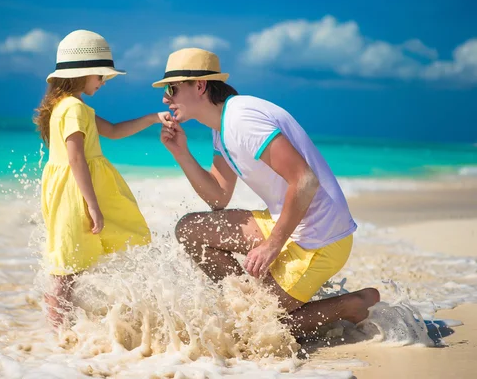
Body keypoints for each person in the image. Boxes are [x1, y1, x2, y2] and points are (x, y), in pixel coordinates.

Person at [154, 47, 380, 337]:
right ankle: (251, 302)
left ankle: (351, 305)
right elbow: (218, 197)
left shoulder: (242, 119)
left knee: (257, 329)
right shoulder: (222, 126)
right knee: (191, 230)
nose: (165, 98)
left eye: (171, 88)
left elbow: (305, 181)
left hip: (319, 237)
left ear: (199, 85)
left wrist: (272, 245)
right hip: (290, 221)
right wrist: (181, 153)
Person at [34, 30, 172, 329]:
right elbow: (75, 158)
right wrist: (92, 205)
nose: (103, 82)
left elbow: (114, 131)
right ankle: (57, 333)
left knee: (73, 261)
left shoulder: (73, 106)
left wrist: (152, 118)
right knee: (66, 268)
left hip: (74, 188)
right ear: (83, 74)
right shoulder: (72, 107)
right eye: (101, 76)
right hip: (76, 191)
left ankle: (66, 328)